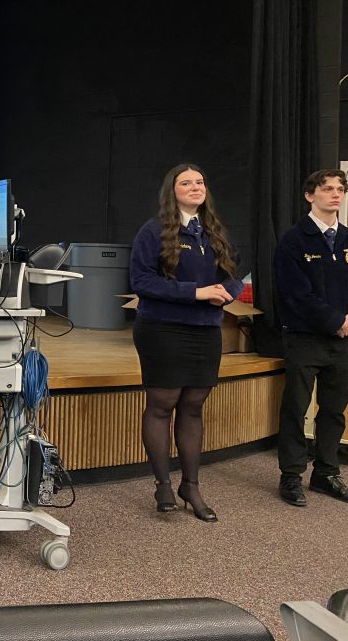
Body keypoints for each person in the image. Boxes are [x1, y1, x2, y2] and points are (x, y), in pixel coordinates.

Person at [129, 163, 241, 523]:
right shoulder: (154, 230)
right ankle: (162, 485)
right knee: (162, 404)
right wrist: (196, 292)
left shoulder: (215, 232)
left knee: (193, 407)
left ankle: (190, 486)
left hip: (205, 331)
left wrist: (227, 292)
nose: (196, 187)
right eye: (186, 182)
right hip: (162, 328)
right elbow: (142, 281)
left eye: (200, 182)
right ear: (172, 191)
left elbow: (234, 275)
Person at [273, 169, 348, 506]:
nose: (335, 195)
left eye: (340, 189)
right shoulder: (294, 240)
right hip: (305, 338)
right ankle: (291, 475)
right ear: (309, 195)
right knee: (296, 407)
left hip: (342, 342)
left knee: (334, 410)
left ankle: (326, 473)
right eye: (327, 188)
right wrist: (335, 320)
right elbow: (295, 294)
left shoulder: (346, 238)